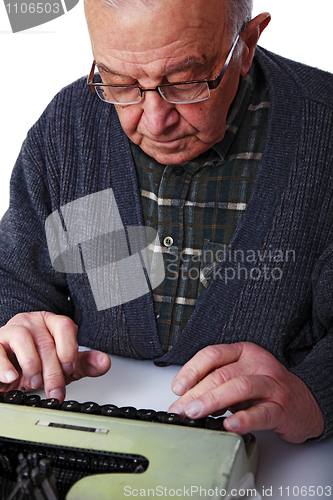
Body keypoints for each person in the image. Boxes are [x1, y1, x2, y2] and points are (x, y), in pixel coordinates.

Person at [0, 0, 332, 444]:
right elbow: (17, 279)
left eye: (185, 83)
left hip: (277, 461)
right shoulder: (70, 128)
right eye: (120, 83)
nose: (155, 122)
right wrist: (16, 330)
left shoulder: (323, 131)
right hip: (88, 435)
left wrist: (314, 395)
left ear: (247, 44)